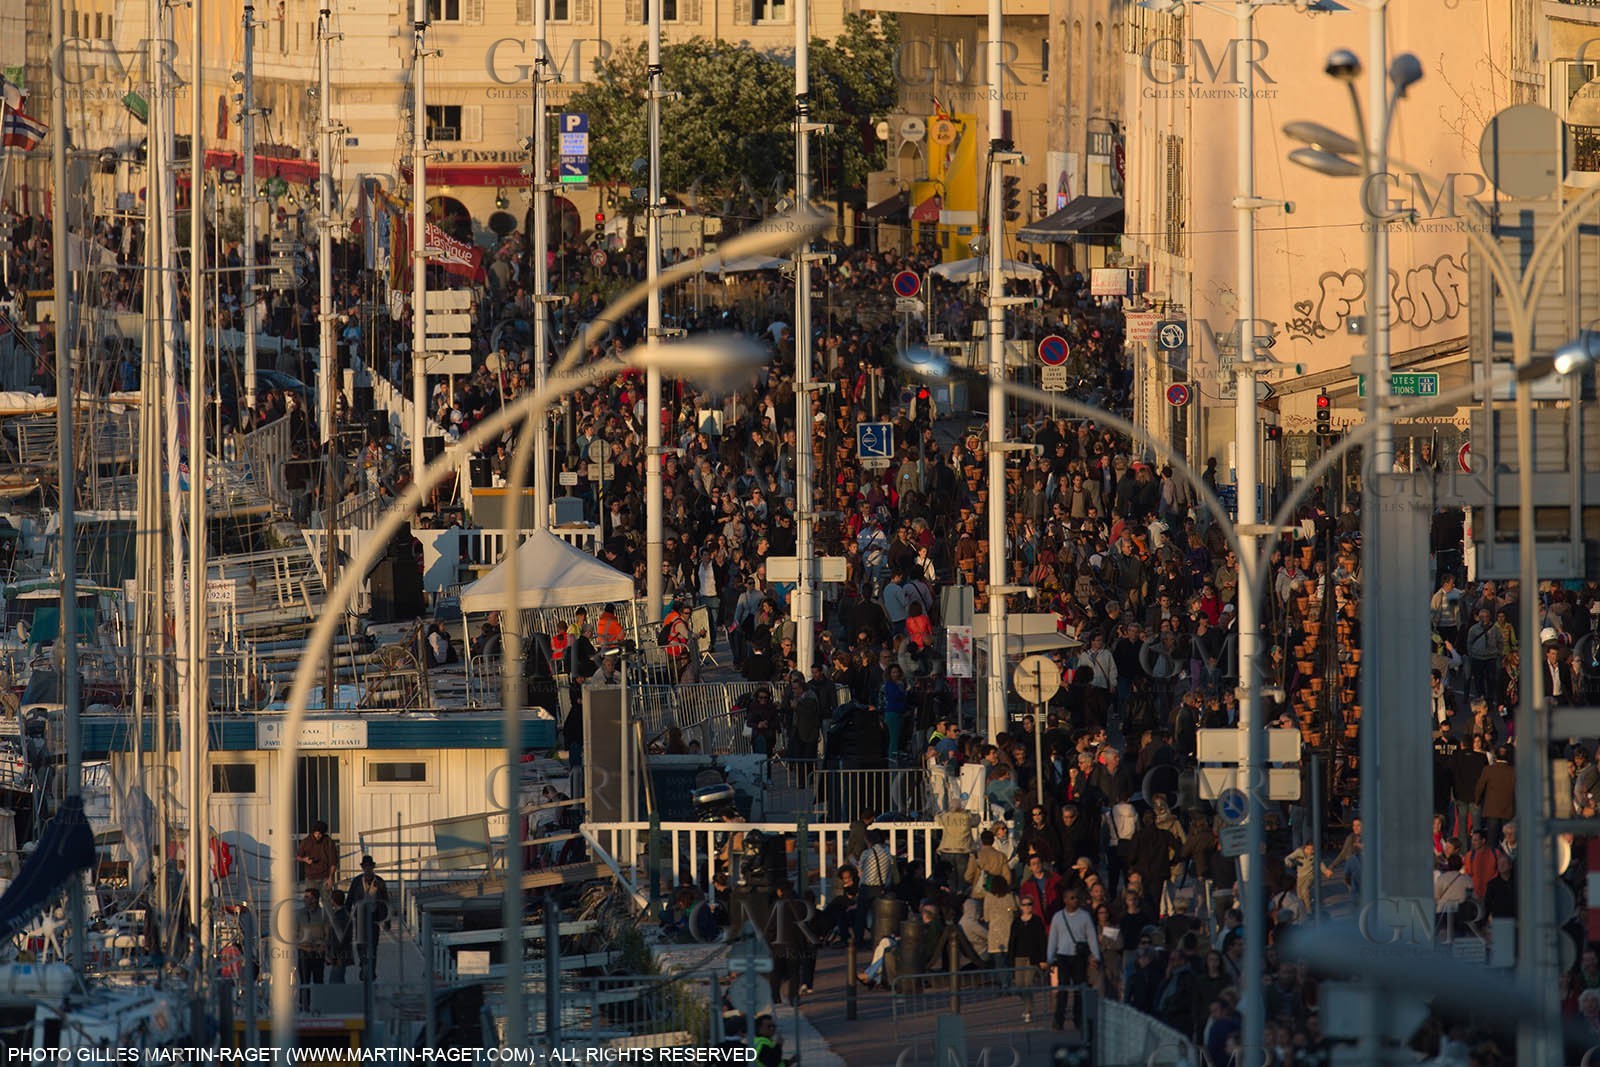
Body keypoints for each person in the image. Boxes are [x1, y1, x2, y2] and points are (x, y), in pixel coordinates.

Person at [1048, 889, 1101, 1031]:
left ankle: (1079, 1019)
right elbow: (1053, 938)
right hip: (1063, 956)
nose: (1075, 900)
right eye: (1071, 898)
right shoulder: (1058, 917)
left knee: (1079, 990)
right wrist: (1050, 957)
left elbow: (1091, 937)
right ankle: (1059, 1019)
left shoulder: (1084, 916)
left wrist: (1096, 955)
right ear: (1065, 900)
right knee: (1063, 989)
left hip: (1079, 957)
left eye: (1077, 897)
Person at [346, 855, 391, 981]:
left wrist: (387, 920)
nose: (367, 869)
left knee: (373, 945)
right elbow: (349, 899)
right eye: (365, 867)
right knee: (361, 944)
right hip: (360, 916)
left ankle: (371, 970)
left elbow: (386, 901)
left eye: (369, 867)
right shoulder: (356, 881)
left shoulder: (379, 882)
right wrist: (345, 915)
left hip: (374, 916)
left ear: (373, 867)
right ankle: (363, 963)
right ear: (362, 868)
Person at [297, 887, 328, 1008]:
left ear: (314, 899)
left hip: (318, 952)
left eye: (307, 897)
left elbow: (328, 933)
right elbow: (294, 932)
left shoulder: (323, 914)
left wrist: (324, 946)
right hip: (304, 951)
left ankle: (319, 1006)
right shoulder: (299, 914)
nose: (304, 899)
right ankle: (304, 1006)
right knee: (304, 981)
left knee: (318, 980)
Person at [296, 820, 338, 888]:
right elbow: (298, 856)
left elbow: (333, 861)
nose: (317, 836)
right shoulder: (306, 841)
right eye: (315, 833)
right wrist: (304, 859)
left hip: (325, 876)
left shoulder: (329, 842)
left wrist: (331, 877)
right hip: (311, 877)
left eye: (320, 834)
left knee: (326, 898)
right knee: (311, 897)